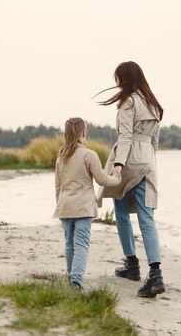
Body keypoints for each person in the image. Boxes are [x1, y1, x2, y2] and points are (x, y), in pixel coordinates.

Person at [96, 61, 165, 298]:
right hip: (148, 161)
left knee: (121, 211)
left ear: (124, 78)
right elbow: (155, 141)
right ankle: (155, 272)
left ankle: (132, 264)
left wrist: (118, 165)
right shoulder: (154, 103)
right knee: (147, 218)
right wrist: (150, 162)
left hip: (128, 159)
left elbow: (125, 136)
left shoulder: (129, 101)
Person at [54, 117, 121, 289]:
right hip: (83, 207)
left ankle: (71, 276)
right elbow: (102, 179)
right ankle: (76, 279)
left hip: (65, 206)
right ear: (83, 133)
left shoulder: (61, 156)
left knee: (69, 244)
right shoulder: (89, 154)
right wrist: (117, 179)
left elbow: (58, 186)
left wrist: (60, 205)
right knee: (81, 243)